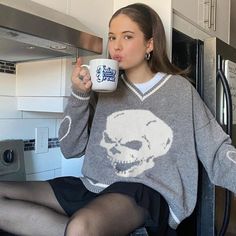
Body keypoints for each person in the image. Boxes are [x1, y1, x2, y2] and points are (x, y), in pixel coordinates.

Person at [1, 3, 236, 236]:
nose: (116, 46)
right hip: (93, 187)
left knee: (82, 227)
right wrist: (80, 94)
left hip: (146, 195)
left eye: (127, 37)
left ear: (150, 43)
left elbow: (216, 151)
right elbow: (70, 149)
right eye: (112, 37)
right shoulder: (103, 90)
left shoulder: (180, 91)